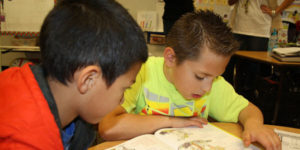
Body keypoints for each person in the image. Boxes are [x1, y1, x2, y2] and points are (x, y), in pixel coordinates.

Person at [99, 10, 281, 150]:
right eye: (200, 77)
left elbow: (249, 110)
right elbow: (108, 127)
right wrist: (171, 121)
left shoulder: (210, 83)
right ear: (171, 58)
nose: (208, 88)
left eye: (215, 77)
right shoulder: (141, 73)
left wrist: (254, 125)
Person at [0, 0, 148, 149]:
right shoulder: (25, 139)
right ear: (89, 79)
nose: (121, 101)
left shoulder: (32, 83)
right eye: (124, 89)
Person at [223, 0, 295, 100]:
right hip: (237, 27)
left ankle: (249, 99)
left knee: (252, 69)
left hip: (260, 30)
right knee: (231, 66)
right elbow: (230, 2)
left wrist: (275, 11)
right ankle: (229, 98)